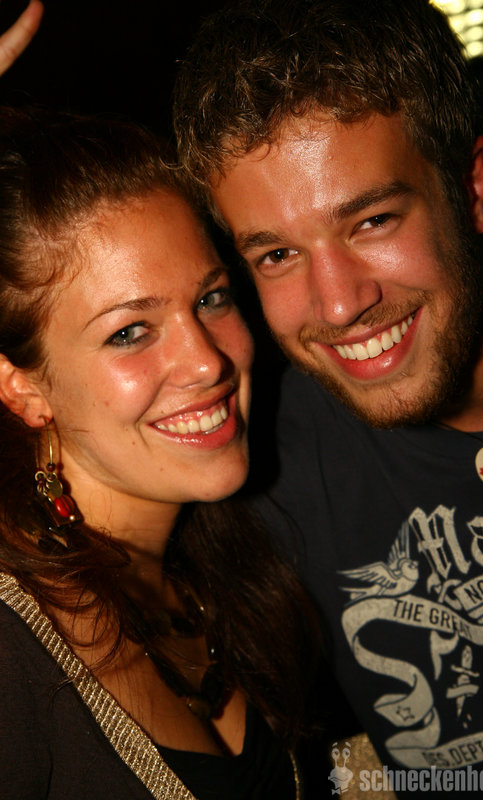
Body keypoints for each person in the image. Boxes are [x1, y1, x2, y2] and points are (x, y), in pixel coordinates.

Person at [173, 0, 483, 794]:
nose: (337, 305)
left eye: (371, 221)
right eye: (275, 255)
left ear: (474, 189)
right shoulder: (254, 455)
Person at [0, 106, 316, 799]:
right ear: (21, 386)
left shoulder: (233, 556)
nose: (207, 361)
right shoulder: (12, 643)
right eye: (130, 332)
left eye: (211, 298)